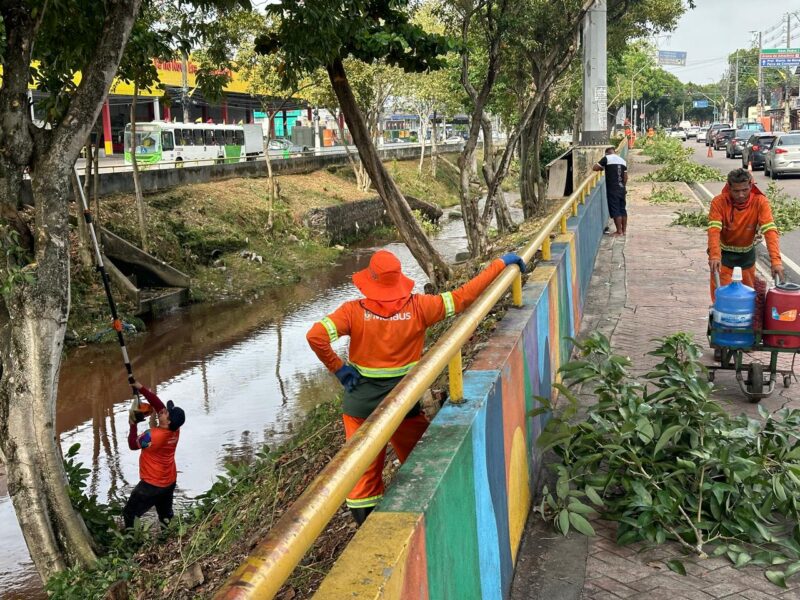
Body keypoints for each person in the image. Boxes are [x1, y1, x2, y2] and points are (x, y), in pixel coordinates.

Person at [306, 249, 526, 525]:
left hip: (360, 406)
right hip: (404, 402)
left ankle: (369, 530)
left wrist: (338, 367)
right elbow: (464, 298)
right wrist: (500, 264)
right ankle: (429, 519)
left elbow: (315, 336)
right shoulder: (419, 307)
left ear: (369, 282)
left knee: (361, 472)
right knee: (419, 461)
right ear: (399, 279)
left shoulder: (352, 312)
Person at [707, 168, 784, 301]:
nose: (741, 195)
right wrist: (714, 255)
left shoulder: (760, 202)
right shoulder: (718, 202)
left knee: (747, 299)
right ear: (728, 188)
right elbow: (714, 231)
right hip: (724, 258)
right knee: (722, 299)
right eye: (736, 191)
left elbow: (770, 231)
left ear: (751, 186)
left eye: (745, 190)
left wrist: (776, 261)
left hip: (746, 259)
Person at [123, 380, 186, 529]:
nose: (162, 411)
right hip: (169, 482)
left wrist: (133, 424)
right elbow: (158, 405)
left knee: (129, 514)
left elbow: (132, 445)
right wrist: (140, 387)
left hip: (151, 485)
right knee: (165, 516)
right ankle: (169, 538)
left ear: (168, 420)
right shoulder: (175, 429)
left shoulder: (152, 436)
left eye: (165, 412)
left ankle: (132, 543)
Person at [593, 147, 628, 237]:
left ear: (607, 153)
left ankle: (619, 232)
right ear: (614, 152)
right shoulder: (622, 160)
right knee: (622, 209)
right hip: (621, 188)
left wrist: (602, 167)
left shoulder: (607, 158)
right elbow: (625, 177)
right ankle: (624, 231)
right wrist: (623, 187)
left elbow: (595, 168)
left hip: (613, 189)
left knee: (615, 210)